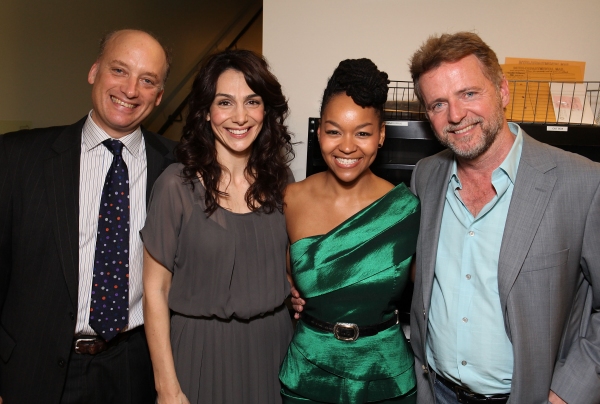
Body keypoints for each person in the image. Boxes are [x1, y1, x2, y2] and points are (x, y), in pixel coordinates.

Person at [408, 32, 600, 404]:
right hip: (436, 393)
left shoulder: (583, 182)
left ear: (503, 91)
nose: (456, 115)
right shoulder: (425, 176)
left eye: (469, 93)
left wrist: (568, 392)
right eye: (438, 104)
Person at [0, 29, 176, 403]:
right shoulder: (17, 158)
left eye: (147, 80)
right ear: (94, 71)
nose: (130, 90)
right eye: (119, 70)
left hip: (135, 369)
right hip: (31, 370)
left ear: (159, 96)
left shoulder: (180, 167)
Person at [141, 49, 295, 404]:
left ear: (265, 110)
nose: (240, 117)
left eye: (252, 101)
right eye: (225, 102)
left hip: (272, 348)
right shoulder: (175, 186)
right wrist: (167, 388)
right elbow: (155, 292)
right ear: (206, 113)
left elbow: (284, 265)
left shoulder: (281, 181)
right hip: (200, 352)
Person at [279, 59, 419, 403]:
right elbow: (281, 274)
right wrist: (288, 293)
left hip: (386, 376)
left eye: (362, 133)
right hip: (308, 374)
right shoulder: (291, 198)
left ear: (381, 135)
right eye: (333, 130)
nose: (346, 146)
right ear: (319, 132)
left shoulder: (406, 210)